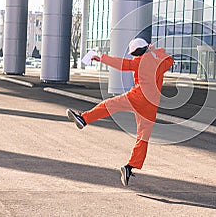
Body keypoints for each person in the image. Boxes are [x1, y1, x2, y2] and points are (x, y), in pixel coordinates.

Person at [67, 38, 174, 186]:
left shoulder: (139, 61)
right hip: (151, 106)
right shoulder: (159, 63)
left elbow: (122, 64)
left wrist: (101, 58)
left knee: (109, 105)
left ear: (136, 52)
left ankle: (84, 119)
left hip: (137, 97)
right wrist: (155, 50)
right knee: (142, 138)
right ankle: (130, 167)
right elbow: (169, 60)